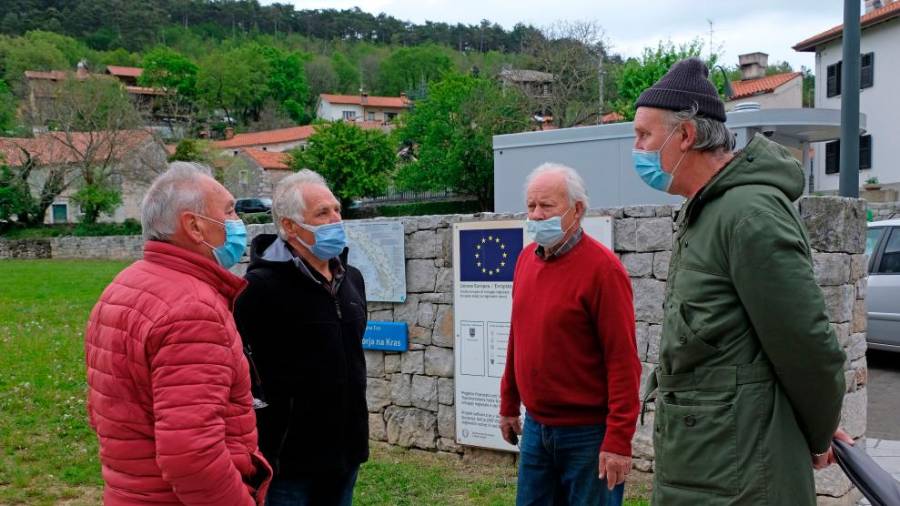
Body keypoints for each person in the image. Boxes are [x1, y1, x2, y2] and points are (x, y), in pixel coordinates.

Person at [632, 58, 851, 505]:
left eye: (643, 136)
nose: (636, 149)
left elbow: (805, 345)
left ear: (686, 135)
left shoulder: (748, 215)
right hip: (711, 467)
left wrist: (819, 431)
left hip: (740, 478)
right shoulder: (709, 211)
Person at [84, 162, 272, 505]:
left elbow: (104, 411)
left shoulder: (122, 286)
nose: (238, 223)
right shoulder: (193, 310)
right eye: (229, 210)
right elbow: (193, 454)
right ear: (195, 226)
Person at [499, 163, 642, 506]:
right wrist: (508, 403)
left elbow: (623, 362)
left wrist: (618, 441)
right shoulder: (524, 261)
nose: (535, 214)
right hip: (536, 430)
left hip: (588, 435)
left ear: (577, 209)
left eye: (546, 206)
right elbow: (518, 336)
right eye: (531, 206)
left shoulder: (604, 271)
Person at [233, 170, 368, 506]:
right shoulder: (257, 290)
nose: (336, 219)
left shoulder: (351, 279)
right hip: (289, 463)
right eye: (322, 213)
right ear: (289, 226)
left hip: (346, 452)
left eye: (336, 209)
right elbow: (242, 375)